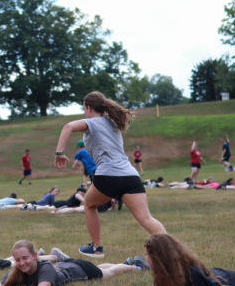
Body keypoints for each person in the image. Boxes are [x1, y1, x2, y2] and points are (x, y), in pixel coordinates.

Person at [53, 91, 167, 258]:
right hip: (130, 175)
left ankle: (97, 248)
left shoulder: (92, 122)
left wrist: (59, 153)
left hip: (108, 175)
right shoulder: (113, 123)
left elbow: (68, 126)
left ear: (88, 107)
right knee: (147, 218)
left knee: (89, 205)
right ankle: (173, 251)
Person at [0, 240, 149, 286]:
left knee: (107, 272)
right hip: (65, 265)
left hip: (80, 270)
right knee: (100, 267)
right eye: (17, 260)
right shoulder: (15, 272)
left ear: (35, 255)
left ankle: (136, 267)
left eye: (25, 258)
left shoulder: (45, 268)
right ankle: (126, 262)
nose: (21, 263)